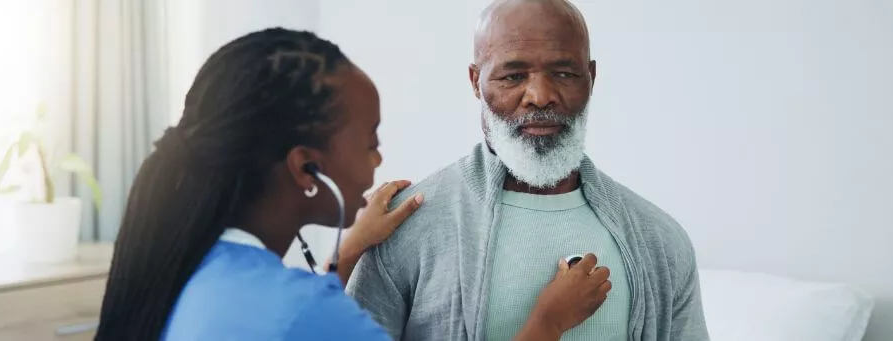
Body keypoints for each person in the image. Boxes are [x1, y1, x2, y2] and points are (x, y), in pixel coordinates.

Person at [94, 27, 614, 341]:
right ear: (306, 170)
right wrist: (547, 321)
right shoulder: (304, 313)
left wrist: (347, 255)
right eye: (370, 140)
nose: (379, 158)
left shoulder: (190, 266)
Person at [345, 1, 711, 340]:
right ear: (476, 82)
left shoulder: (659, 241)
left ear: (591, 77)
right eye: (513, 76)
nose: (540, 95)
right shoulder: (407, 228)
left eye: (565, 73)